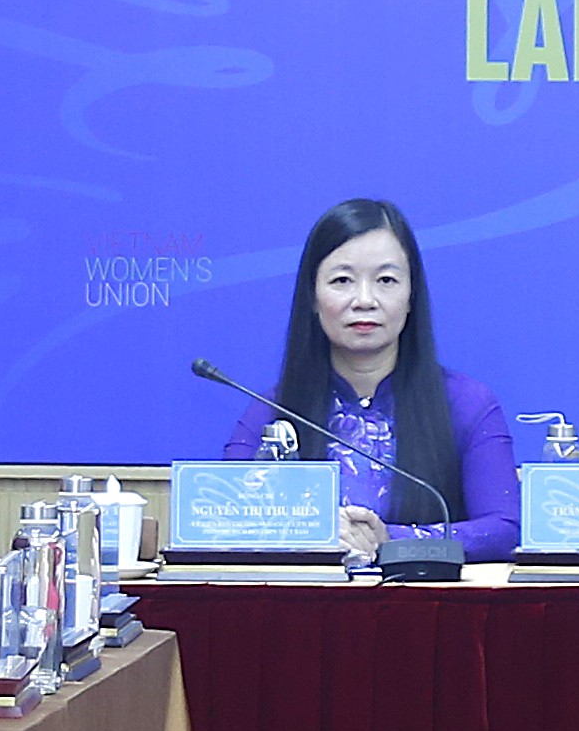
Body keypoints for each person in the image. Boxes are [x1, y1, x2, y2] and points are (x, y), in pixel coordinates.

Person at [213, 199, 519, 565]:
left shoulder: (466, 403)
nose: (364, 300)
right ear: (312, 296)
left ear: (411, 295)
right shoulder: (272, 410)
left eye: (386, 280)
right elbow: (224, 523)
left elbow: (505, 529)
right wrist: (318, 532)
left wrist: (392, 540)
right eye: (342, 280)